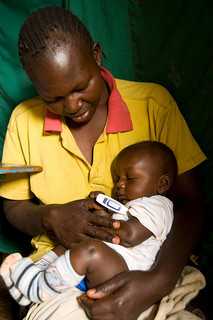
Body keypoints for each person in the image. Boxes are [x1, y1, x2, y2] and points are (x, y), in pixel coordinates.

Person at [0, 5, 206, 320]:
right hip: (60, 276)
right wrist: (49, 217)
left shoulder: (153, 104)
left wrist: (157, 281)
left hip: (150, 268)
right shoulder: (23, 121)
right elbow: (13, 207)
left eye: (81, 87)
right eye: (53, 98)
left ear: (96, 55)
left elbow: (192, 202)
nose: (72, 106)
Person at [0, 141, 177, 306]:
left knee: (90, 250)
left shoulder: (158, 205)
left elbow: (130, 236)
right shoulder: (129, 205)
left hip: (123, 275)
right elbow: (113, 230)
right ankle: (37, 273)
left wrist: (102, 221)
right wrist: (100, 214)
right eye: (117, 179)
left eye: (130, 179)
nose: (120, 185)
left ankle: (39, 289)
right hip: (102, 268)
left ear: (162, 184)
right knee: (74, 239)